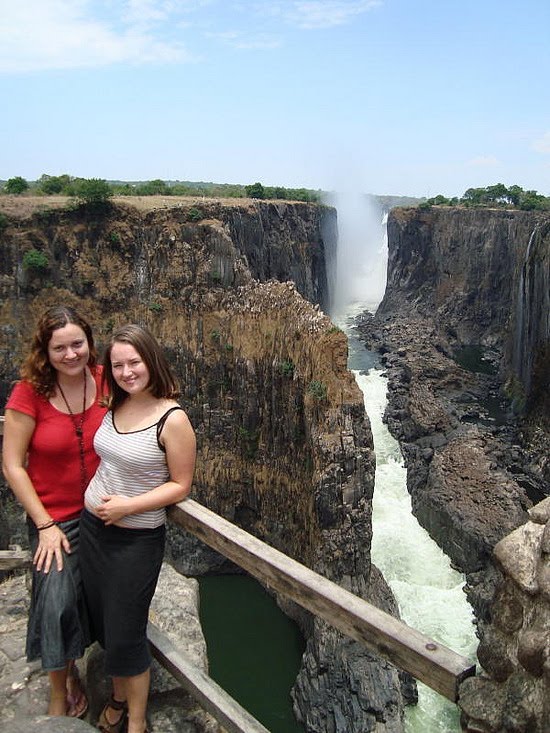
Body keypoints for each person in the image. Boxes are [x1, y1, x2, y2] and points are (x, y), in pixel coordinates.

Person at [80, 324, 196, 733]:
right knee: (105, 623)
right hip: (93, 531)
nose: (127, 371)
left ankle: (137, 720)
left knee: (126, 632)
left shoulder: (172, 418)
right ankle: (117, 696)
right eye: (118, 365)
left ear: (151, 360)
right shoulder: (116, 403)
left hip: (136, 540)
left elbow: (181, 485)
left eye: (135, 362)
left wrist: (128, 506)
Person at [2, 305, 106, 717]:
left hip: (104, 512)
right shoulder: (29, 393)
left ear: (89, 343)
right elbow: (12, 465)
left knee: (104, 597)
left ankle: (100, 676)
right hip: (55, 518)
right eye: (59, 347)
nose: (70, 354)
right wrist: (44, 524)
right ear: (45, 351)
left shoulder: (108, 381)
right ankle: (60, 688)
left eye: (77, 344)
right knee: (57, 599)